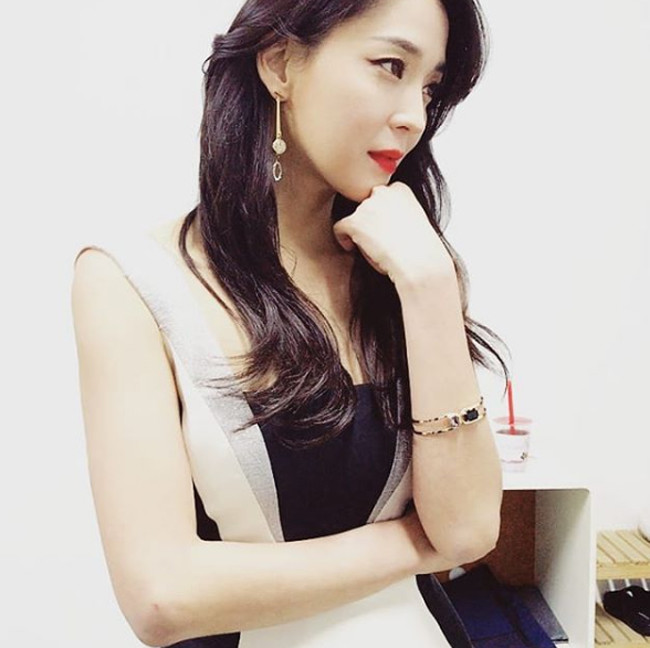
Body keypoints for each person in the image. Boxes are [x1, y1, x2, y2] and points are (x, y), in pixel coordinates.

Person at [71, 0, 509, 645]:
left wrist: (431, 287)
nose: (414, 116)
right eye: (391, 66)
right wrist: (422, 544)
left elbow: (470, 528)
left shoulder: (410, 268)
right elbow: (162, 597)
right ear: (280, 63)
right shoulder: (129, 281)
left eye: (429, 88)